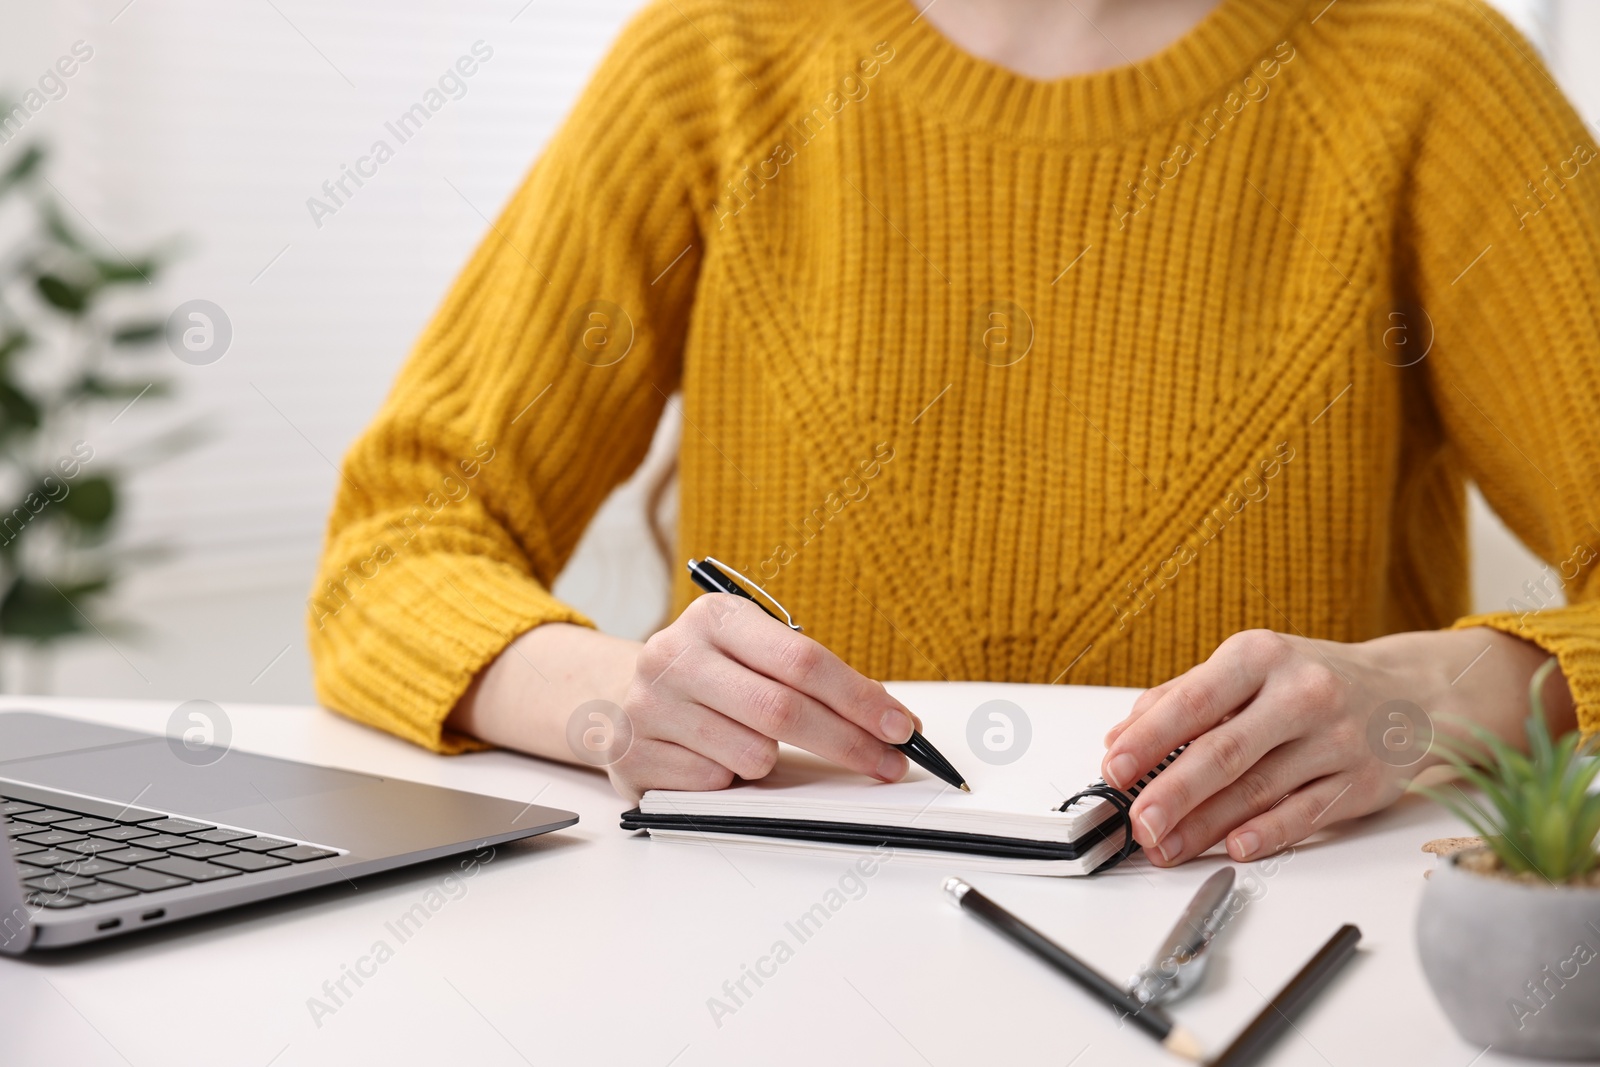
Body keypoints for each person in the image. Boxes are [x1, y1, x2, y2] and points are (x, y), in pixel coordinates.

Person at [309, 0, 1597, 868]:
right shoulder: (714, 61)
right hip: (742, 981)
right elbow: (395, 550)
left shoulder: (1427, 75)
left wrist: (1425, 701)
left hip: (1260, 956)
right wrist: (614, 702)